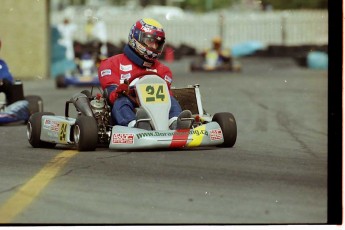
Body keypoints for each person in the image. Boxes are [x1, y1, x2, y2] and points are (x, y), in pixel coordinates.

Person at [98, 18, 192, 130]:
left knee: (170, 99)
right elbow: (110, 95)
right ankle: (134, 125)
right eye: (150, 41)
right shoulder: (111, 64)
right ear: (136, 39)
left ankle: (175, 123)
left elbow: (166, 95)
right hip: (127, 105)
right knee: (121, 101)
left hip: (156, 107)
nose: (154, 47)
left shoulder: (162, 70)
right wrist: (120, 91)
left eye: (157, 43)